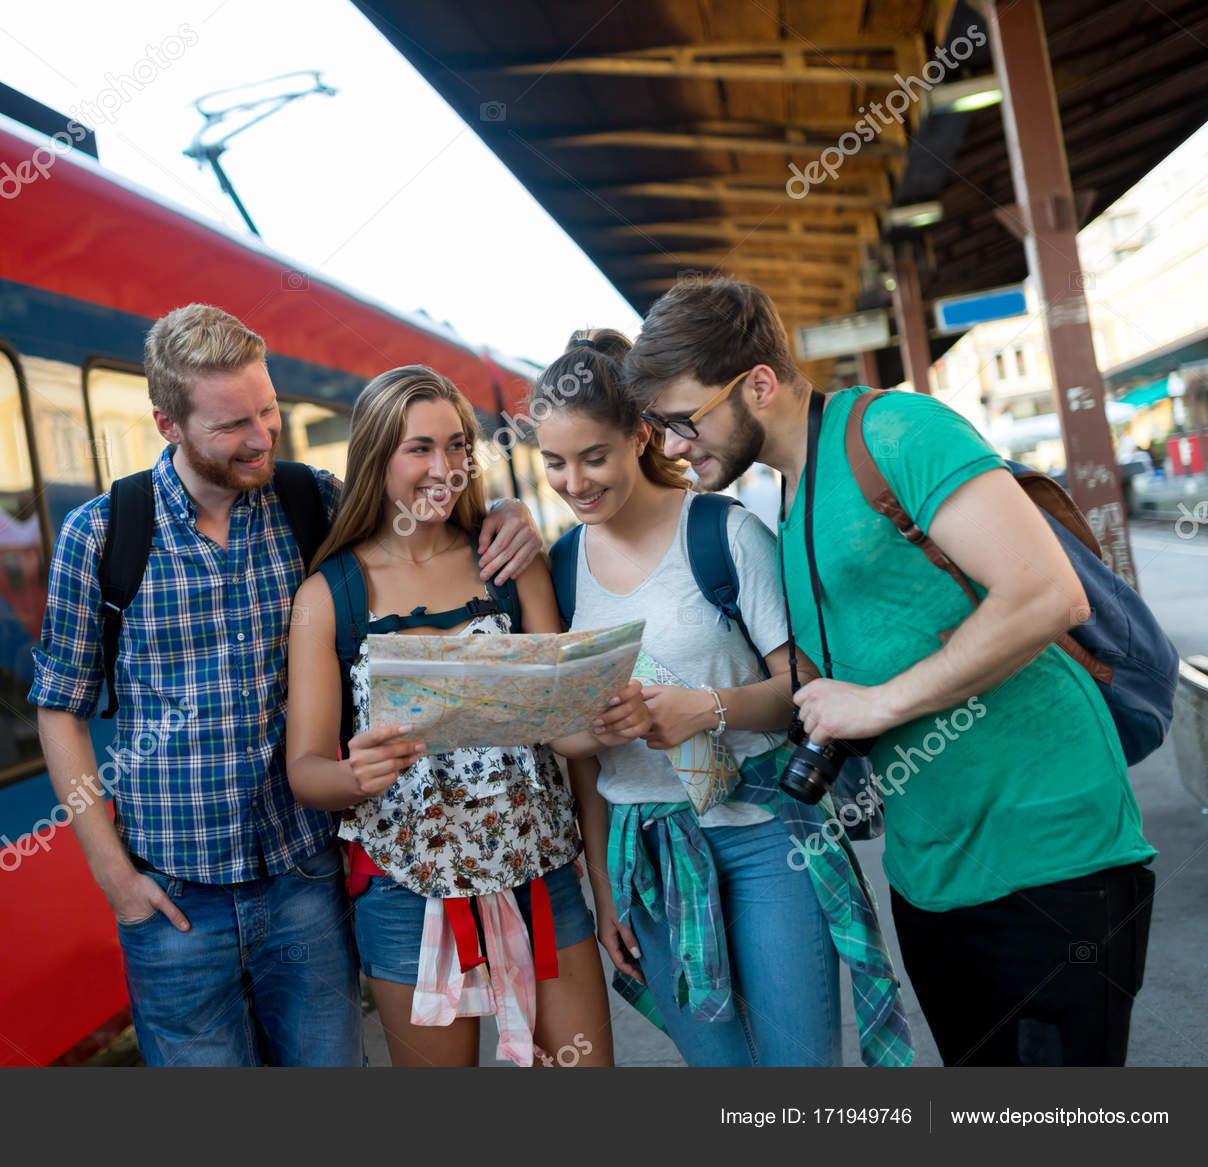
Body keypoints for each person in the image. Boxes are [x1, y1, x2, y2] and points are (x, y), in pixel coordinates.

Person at [627, 277, 1156, 1067]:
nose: (671, 445)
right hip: (930, 876)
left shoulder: (899, 430)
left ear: (759, 385)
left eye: (681, 420)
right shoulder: (784, 501)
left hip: (1050, 851)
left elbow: (1047, 593)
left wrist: (878, 704)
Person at [29, 305, 543, 1067]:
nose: (263, 436)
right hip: (173, 896)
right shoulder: (103, 535)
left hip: (304, 881)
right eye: (233, 424)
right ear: (167, 422)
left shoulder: (313, 503)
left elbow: (424, 523)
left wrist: (506, 513)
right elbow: (60, 711)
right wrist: (115, 878)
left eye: (267, 408)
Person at [533, 329, 911, 1068]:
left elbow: (803, 693)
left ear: (640, 436)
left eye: (593, 457)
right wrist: (606, 890)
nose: (574, 482)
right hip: (646, 850)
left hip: (767, 835)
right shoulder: (560, 568)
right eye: (554, 462)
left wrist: (702, 708)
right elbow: (581, 762)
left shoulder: (723, 532)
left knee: (798, 1068)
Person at [285, 364, 647, 1067]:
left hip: (539, 875)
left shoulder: (506, 563)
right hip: (406, 896)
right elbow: (305, 771)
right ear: (376, 458)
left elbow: (566, 733)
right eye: (418, 448)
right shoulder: (330, 595)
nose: (444, 467)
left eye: (457, 446)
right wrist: (353, 774)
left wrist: (605, 718)